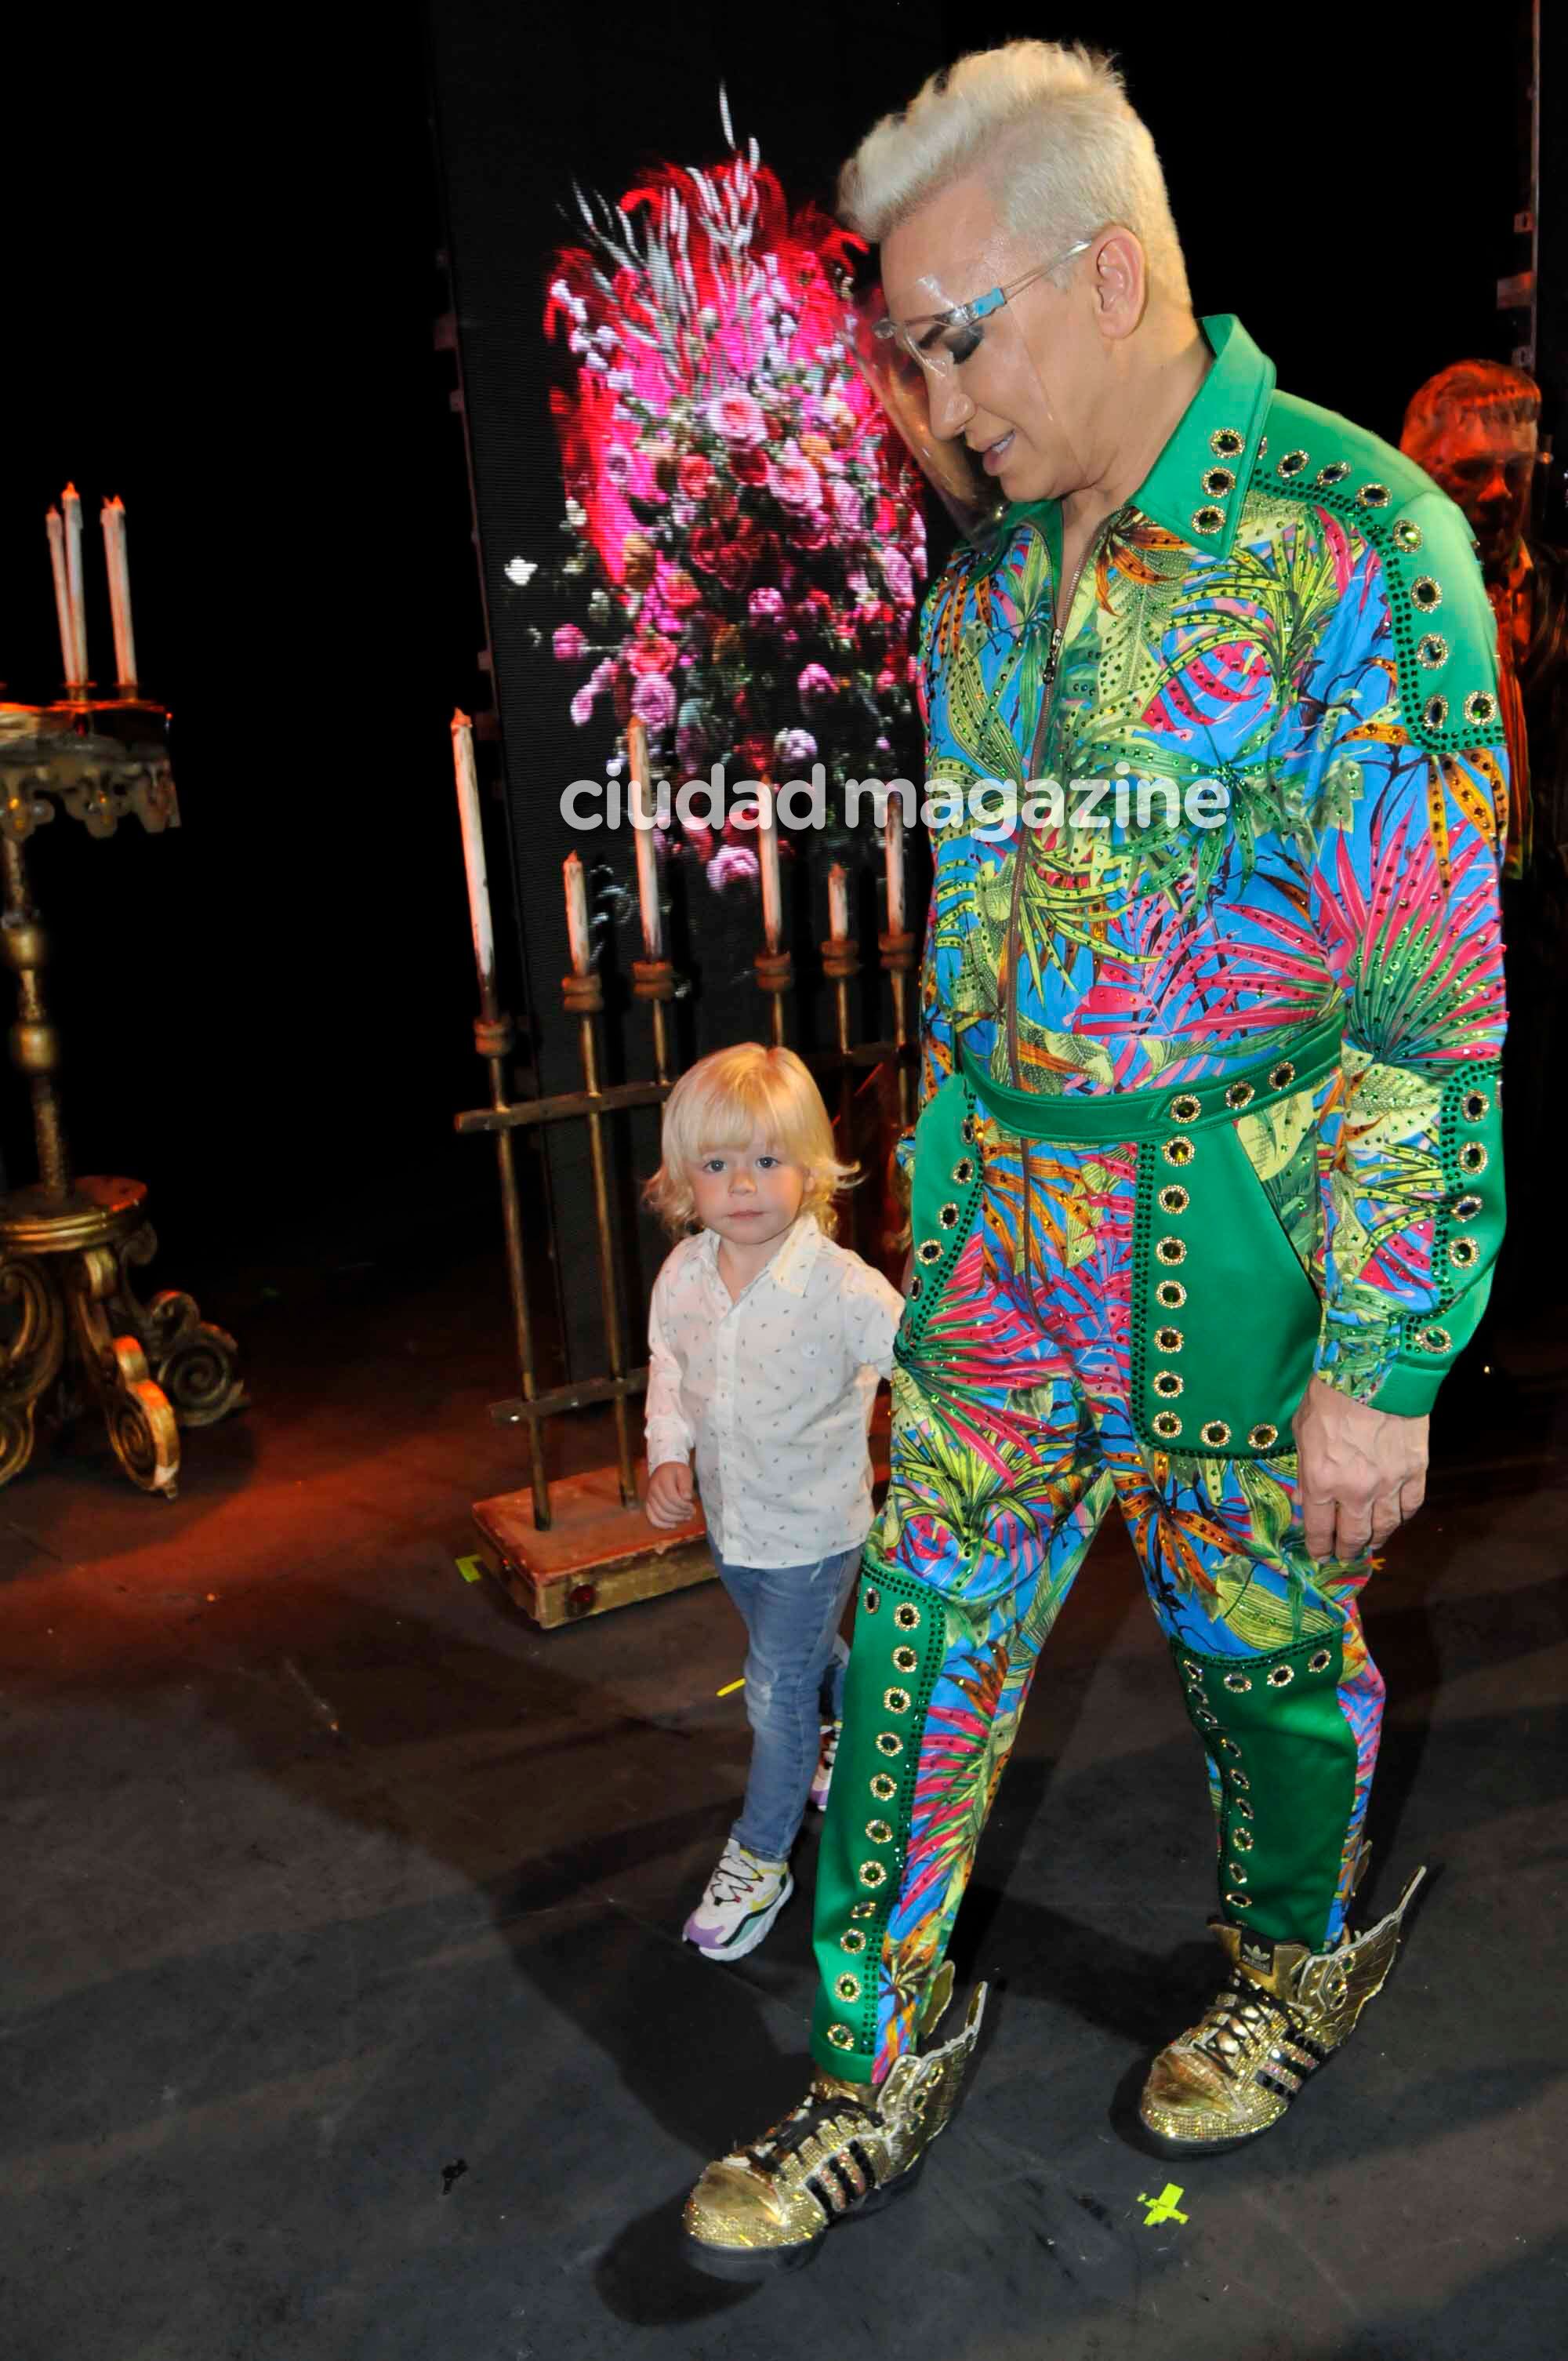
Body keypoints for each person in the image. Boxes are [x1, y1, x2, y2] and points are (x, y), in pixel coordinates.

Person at [683, 39, 1508, 2278]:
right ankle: (874, 2056)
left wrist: (1390, 1354)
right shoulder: (985, 591)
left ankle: (1296, 1955)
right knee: (924, 1645)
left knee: (1266, 1653)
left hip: (1248, 1232)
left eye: (962, 337)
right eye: (908, 354)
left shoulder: (1359, 547)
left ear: (1114, 269)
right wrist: (940, 1178)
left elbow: (1429, 998)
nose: (938, 403)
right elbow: (980, 926)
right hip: (1004, 1249)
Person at [643, 1043, 905, 1961]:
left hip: (813, 1532)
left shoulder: (840, 1287)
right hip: (732, 1522)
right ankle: (859, 1730)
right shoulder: (681, 1274)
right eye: (716, 1165)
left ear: (809, 1169)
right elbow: (669, 1370)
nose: (741, 1185)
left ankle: (761, 1854)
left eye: (764, 1160)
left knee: (773, 1686)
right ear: (685, 1180)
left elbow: (921, 1361)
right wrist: (665, 1453)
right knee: (794, 1657)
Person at [1401, 362, 1567, 1298]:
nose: (1498, 493)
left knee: (1531, 1139)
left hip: (1537, 921)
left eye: (1512, 468)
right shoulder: (1379, 605)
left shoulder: (1556, 596)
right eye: (1469, 472)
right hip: (1420, 934)